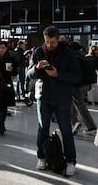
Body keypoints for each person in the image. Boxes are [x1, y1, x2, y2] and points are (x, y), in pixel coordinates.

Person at [27, 26, 81, 176]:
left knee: (66, 130)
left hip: (62, 98)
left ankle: (71, 161)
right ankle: (42, 157)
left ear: (58, 39)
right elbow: (29, 73)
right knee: (42, 128)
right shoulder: (38, 51)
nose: (49, 45)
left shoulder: (68, 54)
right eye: (47, 42)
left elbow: (76, 76)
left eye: (53, 42)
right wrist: (37, 68)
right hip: (43, 97)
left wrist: (58, 74)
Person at [70, 44, 97, 135]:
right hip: (86, 84)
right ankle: (74, 124)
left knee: (79, 105)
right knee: (74, 104)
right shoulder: (83, 56)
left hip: (78, 85)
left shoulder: (73, 57)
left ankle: (91, 127)